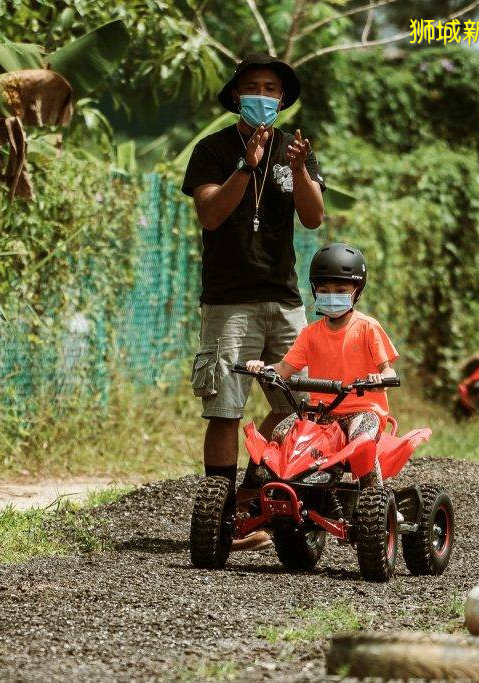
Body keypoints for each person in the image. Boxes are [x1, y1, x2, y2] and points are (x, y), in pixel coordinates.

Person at [182, 53, 325, 551]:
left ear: (282, 98)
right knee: (224, 407)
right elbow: (210, 215)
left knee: (299, 406)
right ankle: (217, 520)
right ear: (237, 95)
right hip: (228, 301)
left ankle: (251, 494)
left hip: (284, 298)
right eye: (253, 88)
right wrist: (248, 165)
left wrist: (300, 169)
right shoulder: (213, 150)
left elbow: (313, 218)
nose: (263, 96)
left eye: (271, 88)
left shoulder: (296, 150)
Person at [243, 243, 398, 488]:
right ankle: (259, 492)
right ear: (315, 291)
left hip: (362, 410)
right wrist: (261, 368)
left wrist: (381, 379)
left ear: (356, 291)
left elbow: (388, 370)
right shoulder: (309, 334)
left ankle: (375, 499)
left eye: (340, 289)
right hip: (320, 411)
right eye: (325, 290)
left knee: (362, 441)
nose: (332, 294)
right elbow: (283, 370)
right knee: (279, 435)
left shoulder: (367, 327)